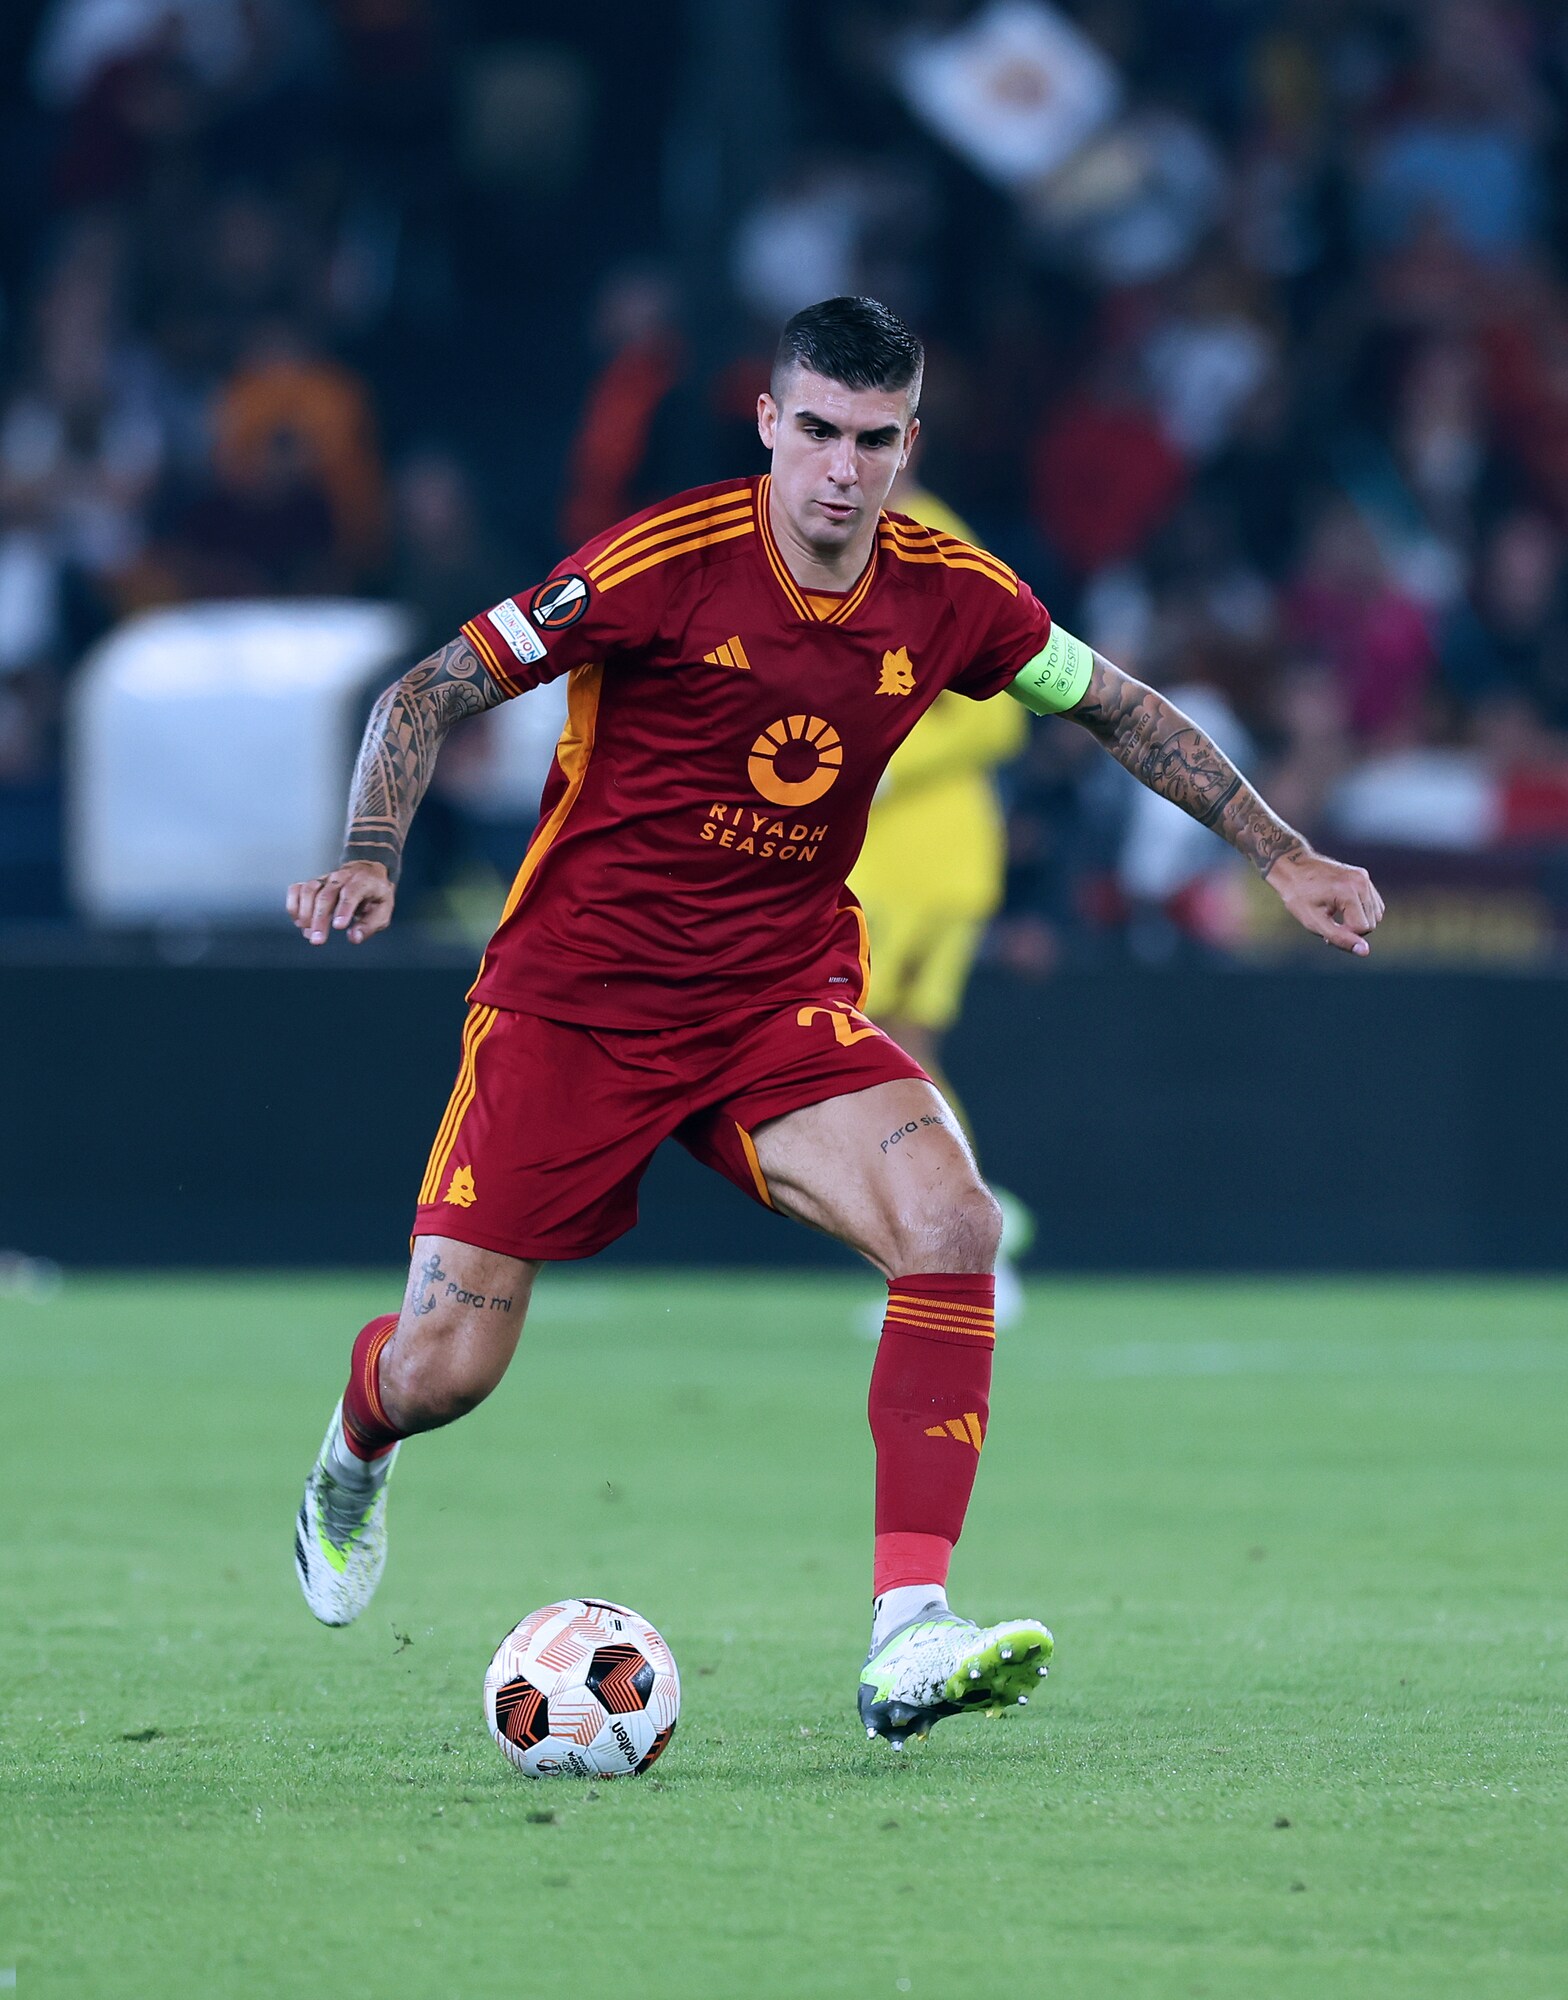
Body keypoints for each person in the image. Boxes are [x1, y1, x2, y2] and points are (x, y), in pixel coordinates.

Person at [286, 297, 1383, 1750]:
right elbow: (427, 690)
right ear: (768, 423)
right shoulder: (659, 565)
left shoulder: (952, 592)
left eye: (873, 440)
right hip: (577, 1005)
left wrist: (1280, 851)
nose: (841, 470)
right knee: (446, 1375)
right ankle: (353, 1453)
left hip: (772, 1002)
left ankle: (909, 1630)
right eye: (815, 432)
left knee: (955, 1223)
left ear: (908, 444)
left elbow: (1119, 708)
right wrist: (372, 852)